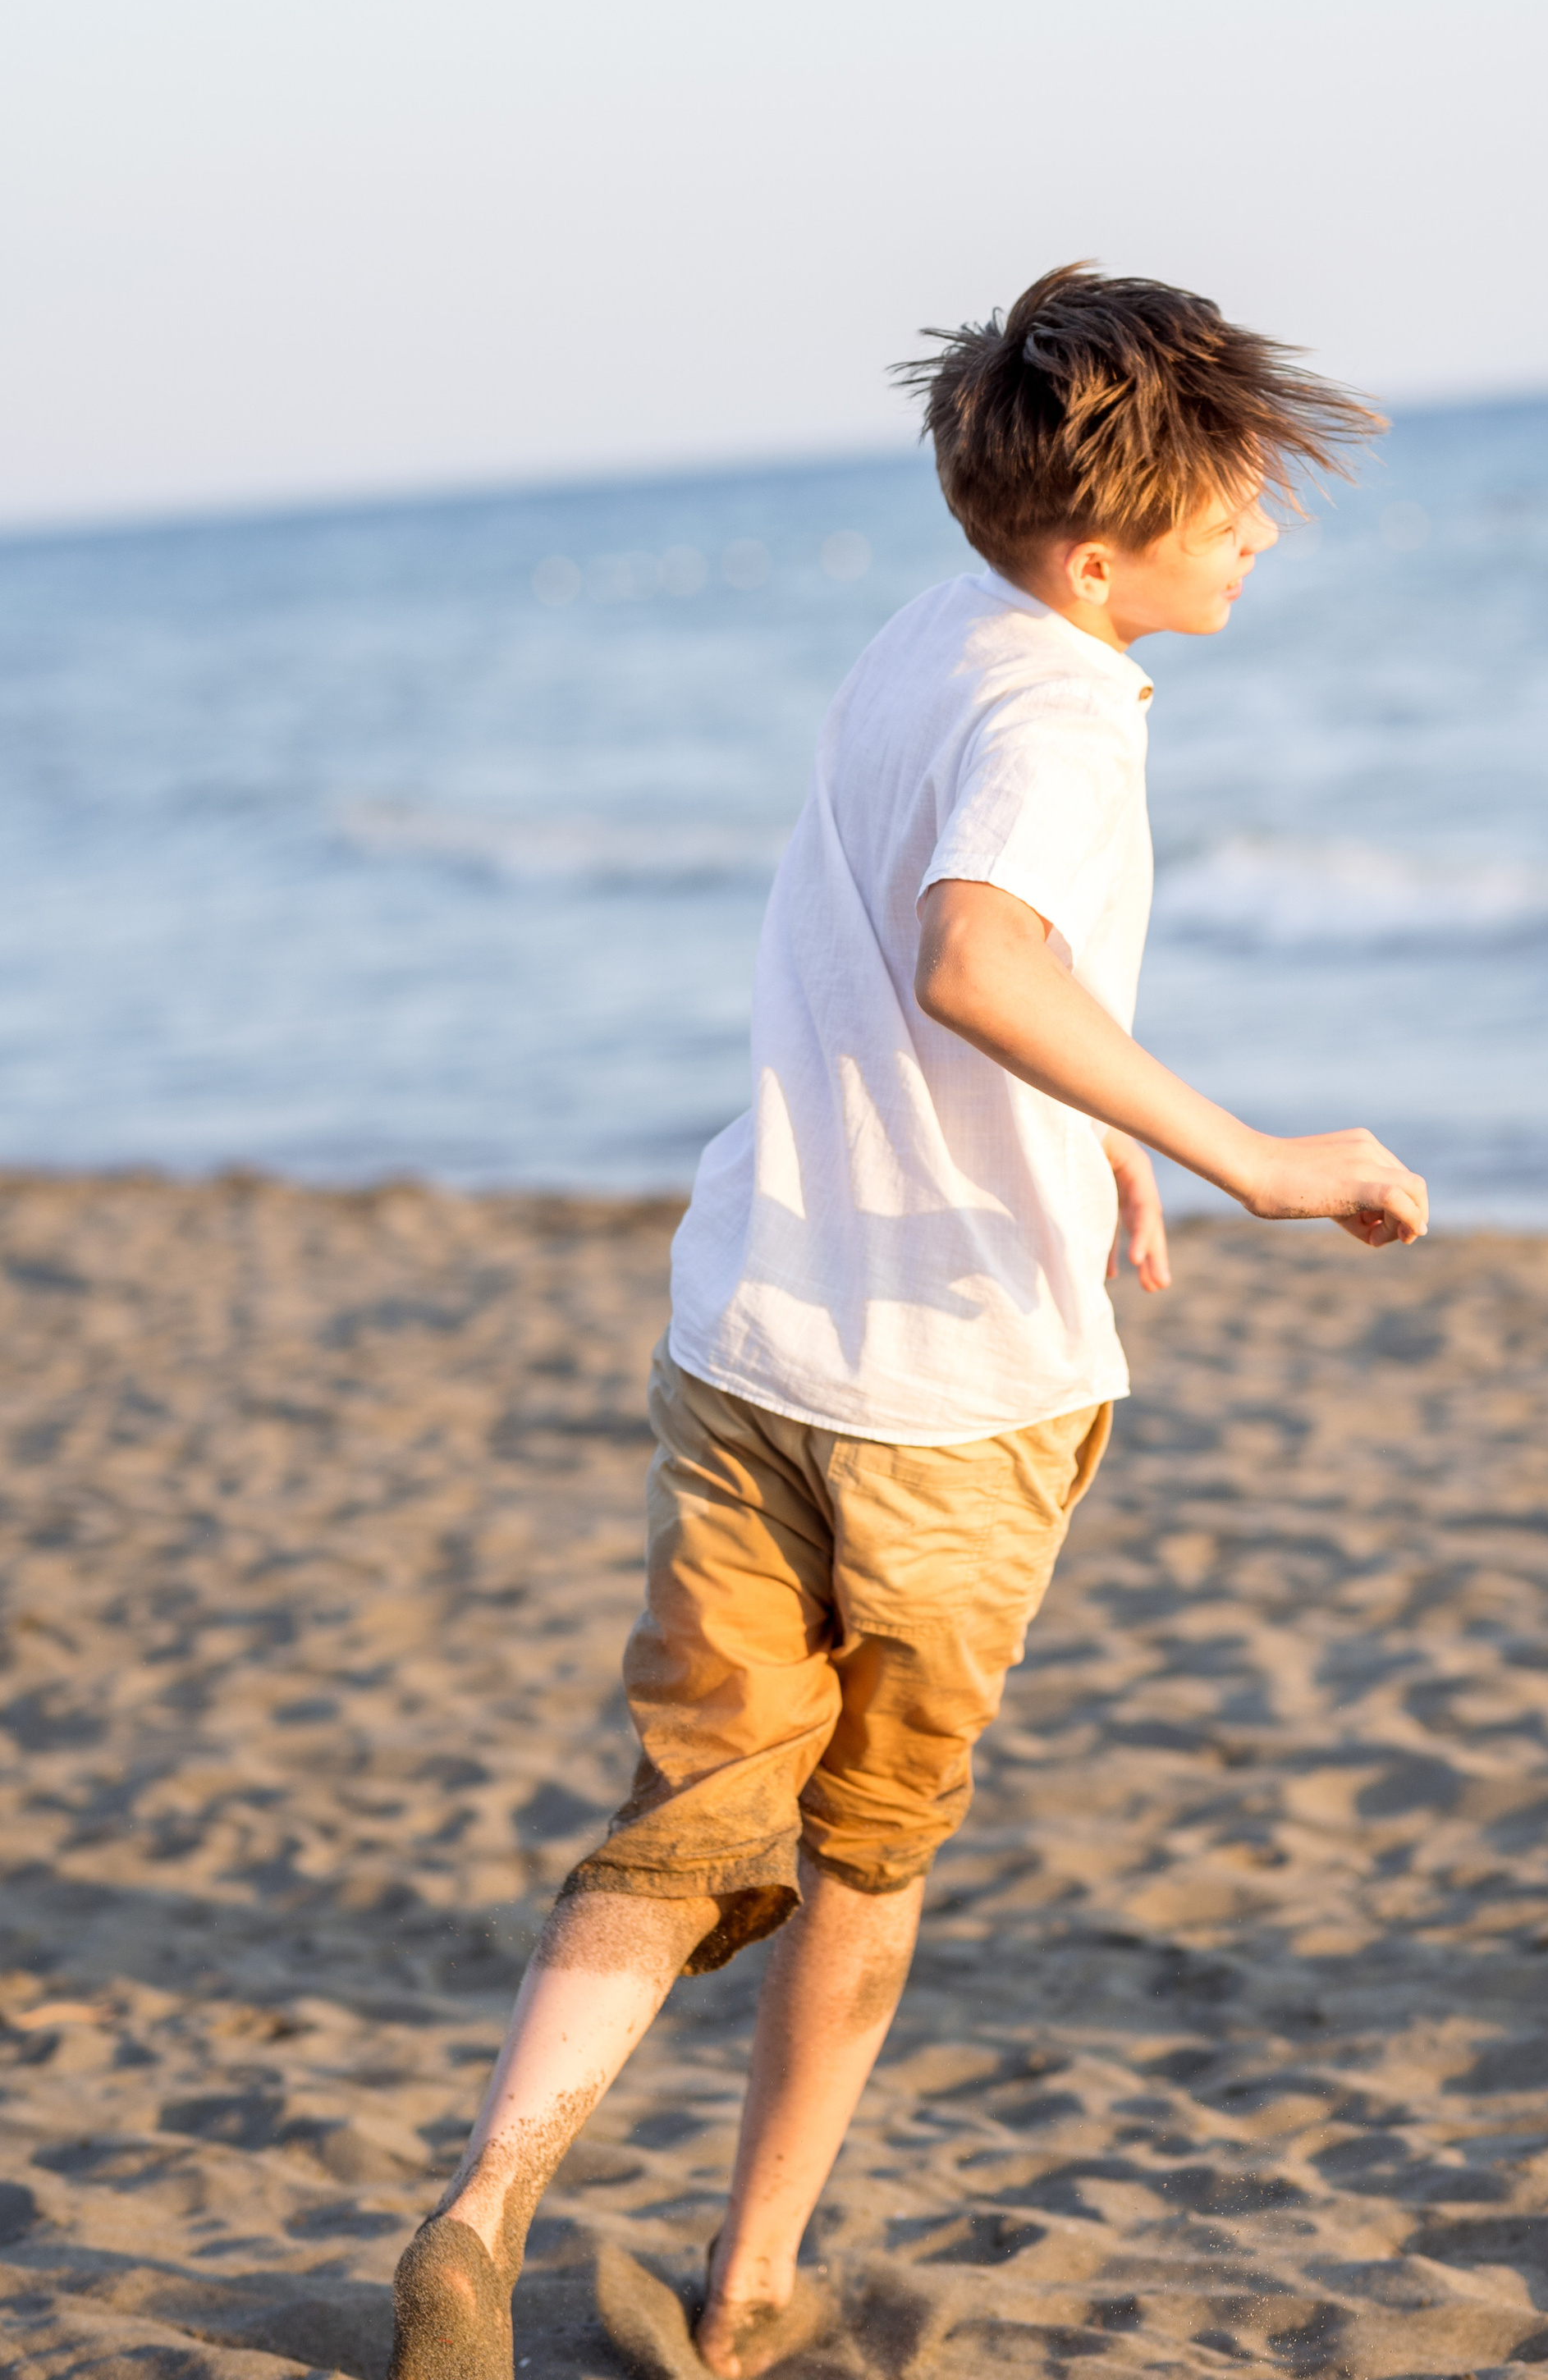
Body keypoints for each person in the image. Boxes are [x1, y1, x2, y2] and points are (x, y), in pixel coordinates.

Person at [389, 266, 1429, 2380]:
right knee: (869, 1841)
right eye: (1235, 500)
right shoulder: (1056, 707)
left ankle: (485, 2208)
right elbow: (974, 957)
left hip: (752, 1323)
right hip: (949, 1389)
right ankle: (754, 2285)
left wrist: (1099, 1134)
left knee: (693, 1815)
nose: (1265, 532)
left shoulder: (931, 641)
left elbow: (918, 953)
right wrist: (1249, 1153)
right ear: (1096, 551)